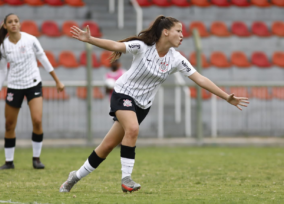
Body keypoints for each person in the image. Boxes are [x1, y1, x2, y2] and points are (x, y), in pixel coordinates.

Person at [59, 15, 249, 193]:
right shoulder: (142, 46)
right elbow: (115, 45)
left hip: (143, 106)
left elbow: (200, 79)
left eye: (182, 32)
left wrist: (226, 97)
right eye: (178, 31)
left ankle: (74, 177)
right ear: (165, 32)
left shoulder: (176, 59)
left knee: (107, 146)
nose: (182, 35)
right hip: (123, 94)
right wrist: (90, 39)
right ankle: (127, 179)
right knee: (132, 129)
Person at [0, 13, 65, 170]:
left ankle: (36, 159)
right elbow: (2, 71)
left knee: (37, 120)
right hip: (14, 86)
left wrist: (57, 81)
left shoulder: (30, 40)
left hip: (33, 84)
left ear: (20, 24)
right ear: (5, 26)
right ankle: (9, 162)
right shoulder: (3, 45)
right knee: (9, 124)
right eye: (10, 22)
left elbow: (43, 59)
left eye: (16, 21)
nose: (14, 24)